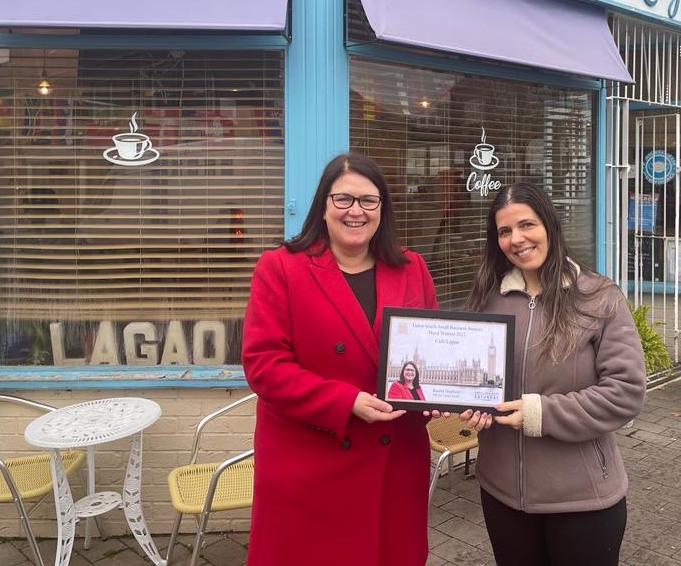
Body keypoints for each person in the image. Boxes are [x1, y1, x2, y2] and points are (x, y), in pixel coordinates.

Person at [241, 152, 438, 566]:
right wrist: (344, 401)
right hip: (311, 462)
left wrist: (445, 395)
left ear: (382, 208)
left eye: (368, 200)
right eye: (343, 199)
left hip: (395, 461)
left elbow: (430, 352)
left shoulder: (412, 267)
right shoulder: (280, 267)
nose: (356, 211)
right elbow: (264, 364)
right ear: (323, 204)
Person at [460, 182, 645, 566]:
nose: (517, 239)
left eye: (527, 224)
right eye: (505, 231)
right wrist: (467, 403)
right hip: (502, 494)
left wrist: (538, 413)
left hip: (583, 500)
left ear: (549, 225)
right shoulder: (486, 299)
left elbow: (624, 392)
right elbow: (477, 381)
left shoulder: (598, 297)